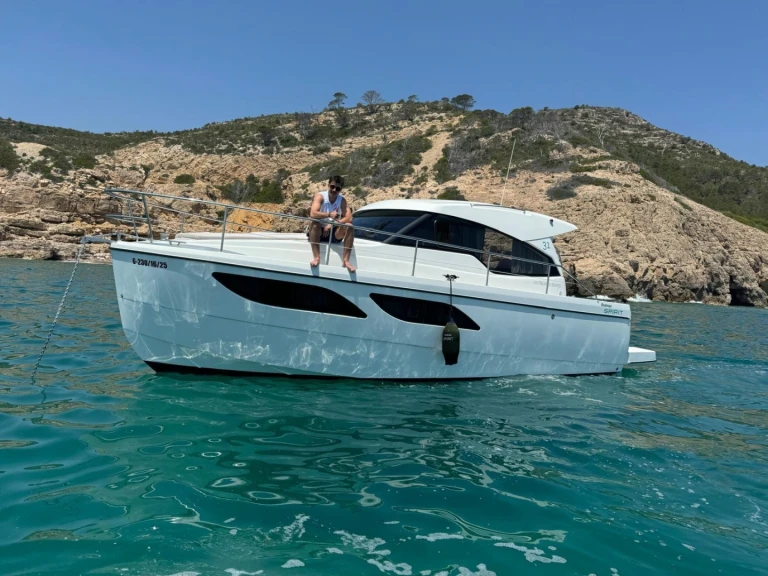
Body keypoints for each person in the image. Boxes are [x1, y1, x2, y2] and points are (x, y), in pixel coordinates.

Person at [308, 175, 356, 272]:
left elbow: (349, 217)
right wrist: (329, 214)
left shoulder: (342, 200)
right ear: (328, 185)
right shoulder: (320, 196)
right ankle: (317, 257)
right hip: (319, 230)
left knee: (349, 226)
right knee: (314, 223)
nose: (334, 190)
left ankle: (346, 260)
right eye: (332, 187)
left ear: (340, 189)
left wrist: (333, 224)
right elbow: (313, 213)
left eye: (337, 188)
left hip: (334, 232)